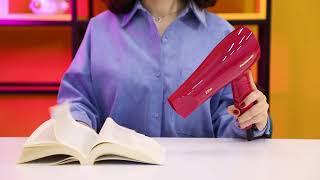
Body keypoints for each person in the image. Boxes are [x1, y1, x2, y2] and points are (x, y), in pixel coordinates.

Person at [57, 0, 271, 138]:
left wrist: (251, 120)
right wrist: (78, 129)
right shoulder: (99, 29)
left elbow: (228, 122)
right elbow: (77, 101)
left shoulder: (221, 34)